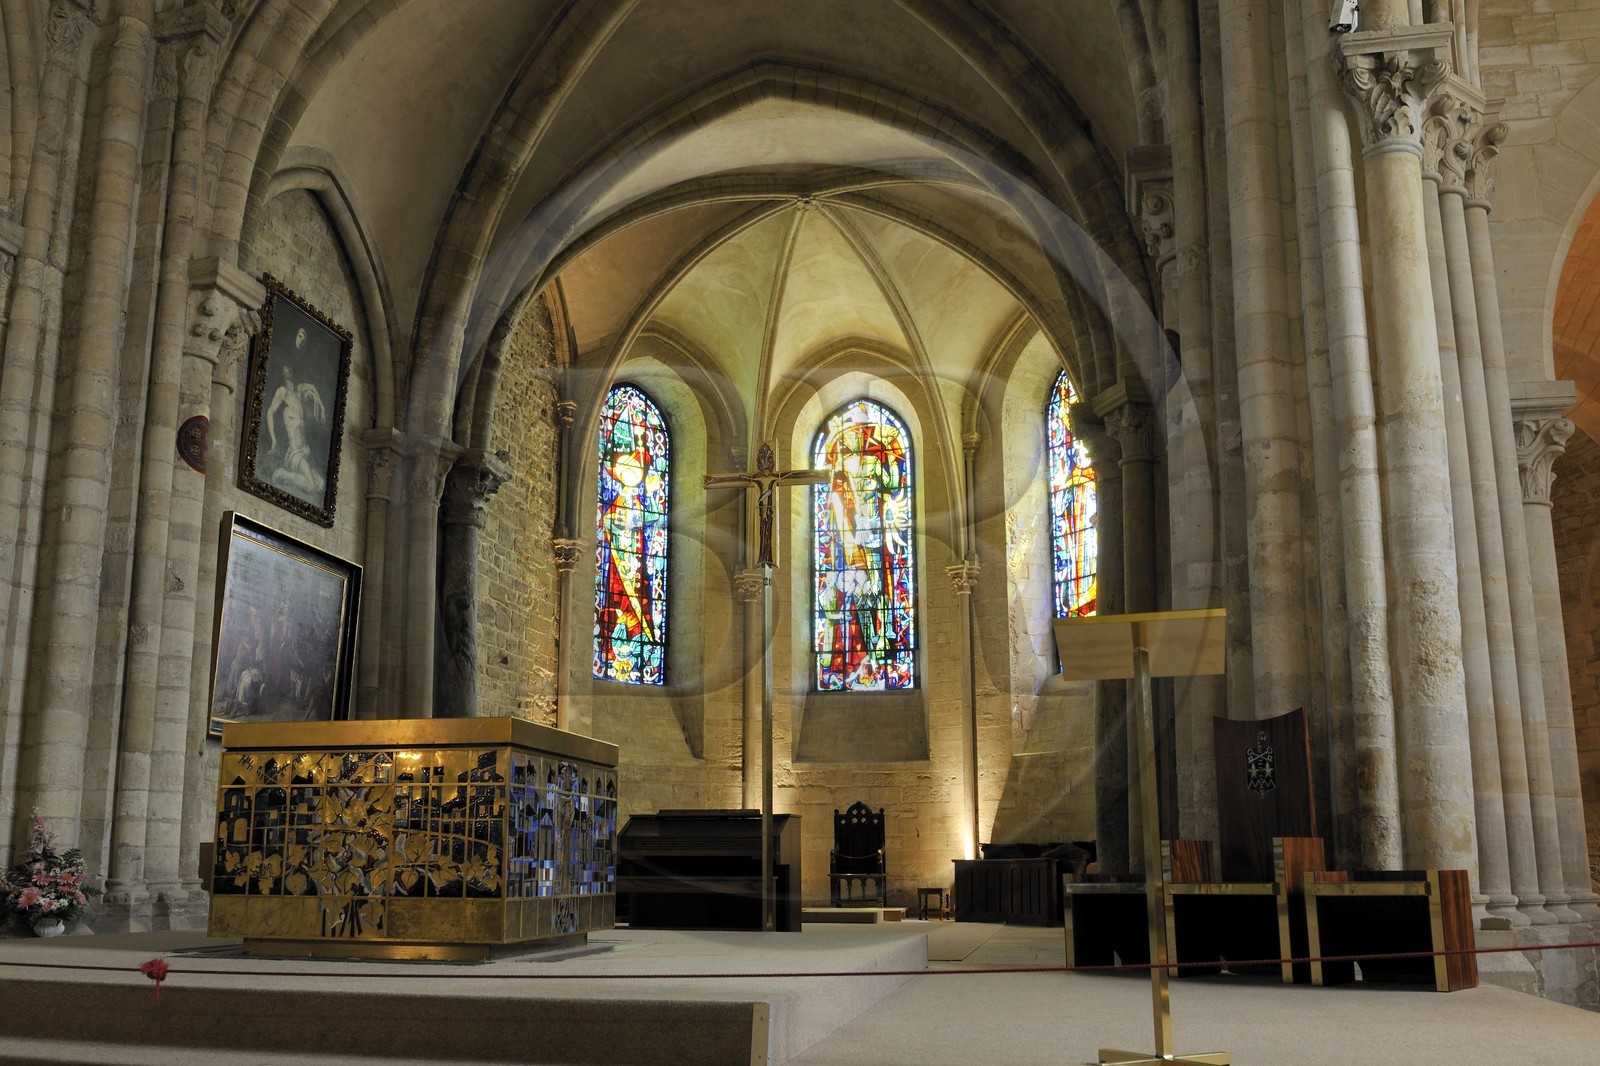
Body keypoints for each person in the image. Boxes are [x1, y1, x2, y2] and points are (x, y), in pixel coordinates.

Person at [265, 329, 328, 496]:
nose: (289, 369)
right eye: (286, 366)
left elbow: (312, 388)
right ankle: (284, 474)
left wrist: (320, 405)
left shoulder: (298, 391)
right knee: (312, 487)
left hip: (304, 451)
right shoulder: (282, 392)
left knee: (321, 484)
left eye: (291, 367)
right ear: (283, 369)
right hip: (294, 453)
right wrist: (273, 441)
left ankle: (290, 475)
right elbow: (270, 413)